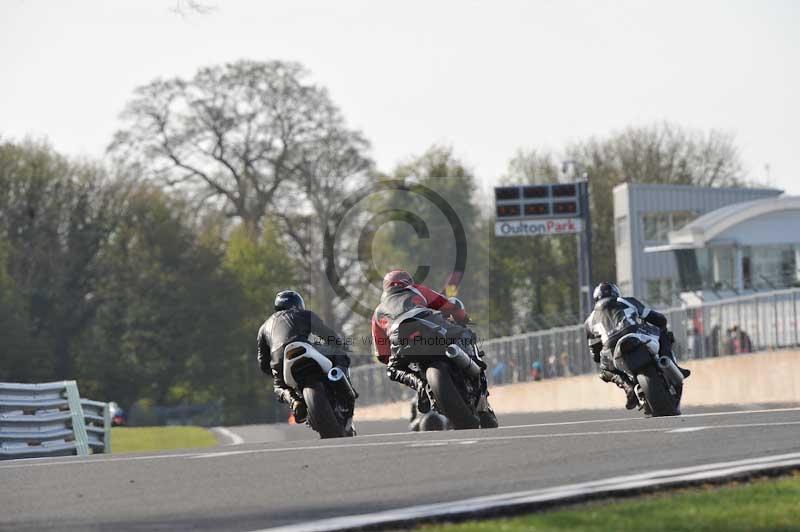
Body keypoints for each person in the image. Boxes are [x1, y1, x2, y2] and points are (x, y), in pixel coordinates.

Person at [371, 270, 472, 413]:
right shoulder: (416, 290)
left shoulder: (377, 312)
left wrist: (397, 361)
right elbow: (446, 305)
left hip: (401, 342)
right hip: (430, 329)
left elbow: (382, 354)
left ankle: (419, 383)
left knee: (392, 370)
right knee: (465, 333)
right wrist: (462, 317)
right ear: (408, 282)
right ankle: (477, 365)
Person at [584, 282, 689, 410]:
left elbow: (595, 354)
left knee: (604, 370)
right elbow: (655, 318)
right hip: (634, 333)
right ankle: (672, 365)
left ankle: (627, 385)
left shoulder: (589, 321)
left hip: (610, 346)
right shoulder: (625, 301)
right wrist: (661, 323)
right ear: (616, 293)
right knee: (663, 334)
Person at [257, 290, 351, 424]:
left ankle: (294, 401)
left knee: (279, 387)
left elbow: (263, 362)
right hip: (303, 346)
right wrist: (341, 345)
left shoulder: (263, 327)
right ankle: (343, 387)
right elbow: (328, 335)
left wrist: (274, 373)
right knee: (340, 354)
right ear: (298, 304)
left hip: (279, 358)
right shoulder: (304, 314)